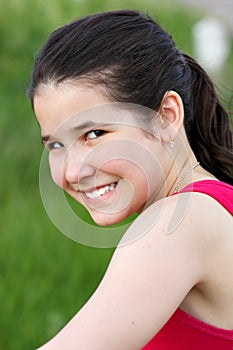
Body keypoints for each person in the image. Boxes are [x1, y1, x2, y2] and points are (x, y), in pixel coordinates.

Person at [28, 9, 233, 350]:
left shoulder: (179, 223)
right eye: (56, 145)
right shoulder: (212, 206)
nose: (73, 171)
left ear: (167, 116)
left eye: (95, 133)